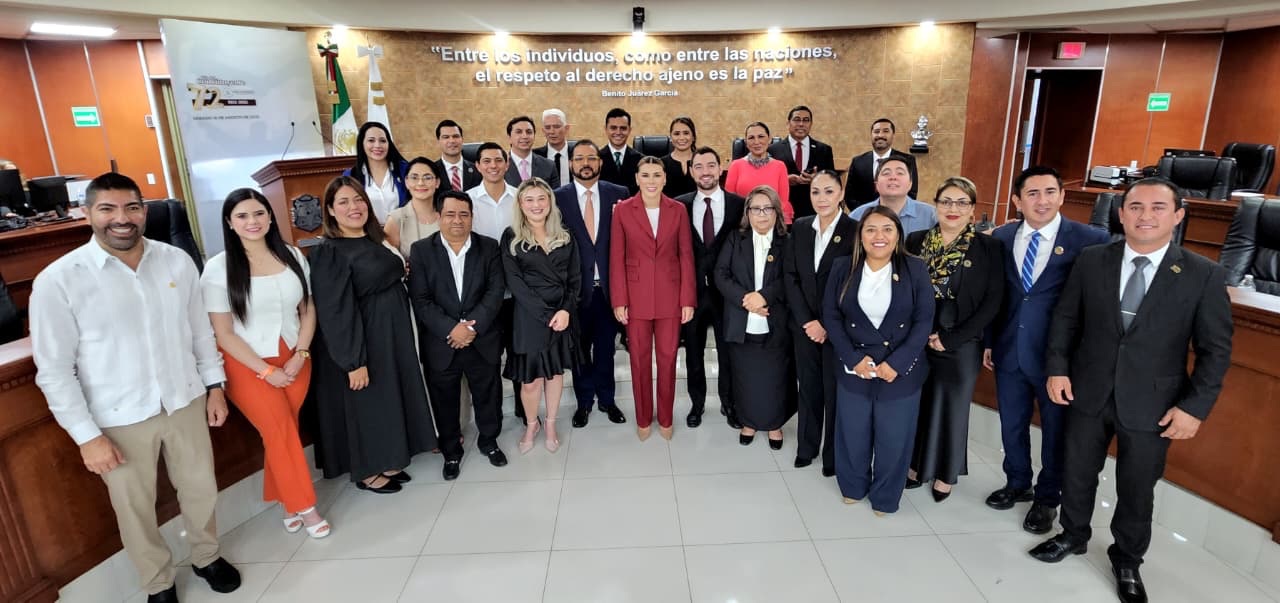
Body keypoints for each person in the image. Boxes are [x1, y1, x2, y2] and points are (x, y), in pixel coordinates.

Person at [31, 172, 242, 603]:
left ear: (144, 211)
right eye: (107, 209)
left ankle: (206, 556)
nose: (121, 218)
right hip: (118, 417)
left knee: (200, 489)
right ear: (87, 213)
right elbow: (53, 371)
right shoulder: (59, 280)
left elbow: (199, 332)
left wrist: (214, 386)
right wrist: (87, 437)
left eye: (131, 207)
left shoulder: (176, 261)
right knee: (135, 508)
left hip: (184, 399)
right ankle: (158, 582)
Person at [1030, 178, 1232, 603]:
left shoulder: (1203, 274)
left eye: (1158, 208)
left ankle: (1127, 559)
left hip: (1154, 402)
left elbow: (1215, 350)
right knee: (1077, 471)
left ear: (1178, 216)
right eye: (1135, 207)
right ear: (1121, 214)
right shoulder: (1092, 260)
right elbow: (1066, 319)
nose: (1145, 216)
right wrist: (1058, 370)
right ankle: (1073, 534)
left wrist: (1194, 408)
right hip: (1087, 389)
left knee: (1137, 487)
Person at [984, 165, 1110, 533]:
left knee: (1055, 432)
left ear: (1062, 196)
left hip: (1058, 359)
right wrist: (990, 341)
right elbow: (996, 295)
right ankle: (1017, 482)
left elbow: (1094, 307)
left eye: (1050, 192)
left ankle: (1047, 498)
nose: (1042, 201)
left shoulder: (1090, 240)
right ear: (1017, 200)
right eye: (1033, 194)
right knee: (1012, 424)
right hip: (1009, 349)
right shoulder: (1001, 237)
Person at [309, 176, 437, 493]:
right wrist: (353, 361)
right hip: (363, 338)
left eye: (358, 200)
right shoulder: (330, 251)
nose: (354, 207)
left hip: (390, 335)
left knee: (386, 399)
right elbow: (335, 311)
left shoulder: (372, 240)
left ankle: (388, 457)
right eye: (343, 202)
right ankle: (367, 470)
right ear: (330, 210)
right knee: (366, 403)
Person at [823, 206, 934, 516]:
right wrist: (852, 358)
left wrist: (896, 364)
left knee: (894, 437)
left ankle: (885, 497)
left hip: (899, 369)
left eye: (887, 229)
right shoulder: (843, 267)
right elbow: (831, 315)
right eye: (871, 229)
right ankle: (853, 486)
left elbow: (923, 321)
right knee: (852, 432)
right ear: (861, 235)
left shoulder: (915, 268)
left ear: (898, 234)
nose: (879, 236)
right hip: (855, 365)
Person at [904, 177, 1005, 502]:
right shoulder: (917, 240)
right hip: (918, 337)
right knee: (919, 403)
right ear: (936, 204)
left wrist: (952, 339)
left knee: (952, 408)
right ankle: (915, 465)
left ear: (972, 209)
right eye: (946, 201)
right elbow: (904, 289)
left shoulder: (989, 247)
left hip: (962, 342)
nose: (953, 208)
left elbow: (993, 300)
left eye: (962, 202)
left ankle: (945, 475)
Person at [408, 191, 509, 480]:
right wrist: (452, 329)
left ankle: (489, 442)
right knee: (444, 401)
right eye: (450, 214)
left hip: (482, 339)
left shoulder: (488, 247)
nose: (457, 220)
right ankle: (451, 452)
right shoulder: (421, 250)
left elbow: (495, 292)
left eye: (464, 214)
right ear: (438, 216)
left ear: (472, 217)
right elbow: (421, 299)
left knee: (488, 396)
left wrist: (471, 328)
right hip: (442, 342)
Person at [610, 156, 696, 440]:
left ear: (665, 178)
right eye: (645, 175)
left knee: (669, 359)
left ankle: (667, 418)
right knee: (639, 360)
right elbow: (616, 258)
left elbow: (686, 255)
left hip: (671, 296)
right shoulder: (623, 210)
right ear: (636, 179)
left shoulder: (678, 209)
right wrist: (619, 300)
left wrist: (687, 299)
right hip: (635, 297)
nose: (651, 181)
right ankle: (644, 418)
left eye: (656, 175)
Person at [784, 169, 857, 475]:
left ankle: (832, 457)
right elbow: (791, 276)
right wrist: (807, 321)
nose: (822, 198)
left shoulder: (855, 230)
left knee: (834, 392)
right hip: (804, 327)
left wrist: (826, 324)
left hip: (837, 329)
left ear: (841, 194)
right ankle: (807, 446)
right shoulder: (801, 227)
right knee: (808, 388)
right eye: (815, 192)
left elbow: (854, 283)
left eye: (829, 191)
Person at [554, 139, 630, 428]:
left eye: (591, 158)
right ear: (570, 163)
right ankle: (584, 402)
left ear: (600, 162)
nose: (585, 163)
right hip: (575, 290)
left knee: (606, 349)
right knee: (580, 350)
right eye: (579, 158)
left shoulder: (619, 194)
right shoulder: (557, 197)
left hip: (609, 290)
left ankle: (607, 400)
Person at [502, 178, 581, 453]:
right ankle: (531, 424)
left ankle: (550, 423)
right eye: (529, 199)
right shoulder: (511, 236)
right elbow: (515, 282)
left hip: (561, 315)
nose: (536, 205)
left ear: (550, 202)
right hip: (529, 317)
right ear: (520, 204)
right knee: (530, 381)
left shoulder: (566, 234)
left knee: (555, 374)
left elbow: (575, 278)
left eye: (541, 198)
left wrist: (565, 310)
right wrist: (547, 314)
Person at [715, 185, 792, 448]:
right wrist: (746, 299)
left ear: (776, 212)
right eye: (756, 209)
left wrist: (764, 296)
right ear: (747, 212)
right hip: (741, 320)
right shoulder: (735, 238)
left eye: (767, 208)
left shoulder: (787, 241)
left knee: (774, 379)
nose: (761, 214)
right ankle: (748, 422)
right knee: (745, 378)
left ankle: (774, 425)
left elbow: (791, 278)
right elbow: (721, 274)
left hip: (775, 320)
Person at [677, 147, 745, 429]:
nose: (705, 172)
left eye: (710, 165)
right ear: (691, 171)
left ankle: (729, 403)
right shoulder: (679, 205)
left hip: (727, 293)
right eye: (699, 166)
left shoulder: (739, 205)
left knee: (728, 353)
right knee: (693, 353)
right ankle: (697, 404)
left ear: (720, 169)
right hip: (692, 293)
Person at [467, 142, 527, 423]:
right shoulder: (467, 200)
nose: (493, 166)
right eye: (486, 161)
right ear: (478, 166)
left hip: (517, 293)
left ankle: (525, 410)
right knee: (488, 360)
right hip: (482, 295)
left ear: (507, 164)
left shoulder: (520, 198)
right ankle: (491, 419)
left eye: (498, 160)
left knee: (519, 353)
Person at [768, 105, 836, 218]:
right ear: (788, 123)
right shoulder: (773, 150)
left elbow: (832, 181)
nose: (801, 124)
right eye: (796, 119)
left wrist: (816, 179)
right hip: (782, 212)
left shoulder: (823, 150)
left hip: (814, 211)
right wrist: (784, 180)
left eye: (806, 120)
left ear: (811, 124)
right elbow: (766, 180)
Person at [847, 156, 937, 235]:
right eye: (886, 173)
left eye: (900, 173)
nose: (893, 177)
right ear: (876, 184)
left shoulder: (931, 216)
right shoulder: (857, 216)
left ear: (910, 184)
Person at [725, 122, 794, 224]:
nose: (756, 142)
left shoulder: (780, 166)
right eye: (751, 138)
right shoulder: (735, 165)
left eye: (761, 136)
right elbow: (729, 200)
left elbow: (782, 201)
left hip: (773, 220)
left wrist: (764, 219)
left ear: (769, 139)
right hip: (743, 221)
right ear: (746, 142)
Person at [342, 121, 409, 224]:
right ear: (362, 144)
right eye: (371, 140)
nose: (377, 145)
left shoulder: (405, 170)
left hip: (404, 229)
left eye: (382, 141)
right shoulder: (351, 175)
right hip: (369, 231)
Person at [843, 118, 919, 206]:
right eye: (876, 131)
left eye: (886, 131)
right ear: (871, 135)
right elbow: (849, 196)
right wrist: (865, 212)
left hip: (896, 213)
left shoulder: (907, 160)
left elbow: (911, 193)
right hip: (864, 213)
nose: (880, 135)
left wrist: (892, 212)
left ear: (893, 135)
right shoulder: (858, 162)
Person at [384, 157, 442, 257]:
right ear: (406, 182)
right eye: (414, 178)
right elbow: (390, 260)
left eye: (427, 178)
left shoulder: (448, 214)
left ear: (437, 182)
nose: (420, 183)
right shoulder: (396, 219)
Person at [504, 115, 560, 189]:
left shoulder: (549, 166)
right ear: (509, 138)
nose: (524, 136)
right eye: (519, 132)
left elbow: (555, 195)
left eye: (529, 132)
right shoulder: (500, 165)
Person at [598, 107, 642, 196]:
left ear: (629, 130)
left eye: (623, 128)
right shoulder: (596, 159)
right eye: (613, 128)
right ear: (606, 129)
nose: (618, 132)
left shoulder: (640, 160)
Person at [435, 119, 481, 194]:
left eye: (456, 136)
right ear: (438, 141)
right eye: (446, 137)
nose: (452, 141)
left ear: (462, 139)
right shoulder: (432, 171)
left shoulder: (478, 170)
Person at [534, 108, 574, 187]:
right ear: (543, 131)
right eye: (547, 127)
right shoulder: (535, 156)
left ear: (566, 128)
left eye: (556, 127)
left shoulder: (577, 154)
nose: (552, 132)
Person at [661, 116, 697, 198]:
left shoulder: (702, 162)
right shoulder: (661, 164)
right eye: (677, 134)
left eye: (686, 133)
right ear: (671, 137)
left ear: (693, 137)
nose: (681, 138)